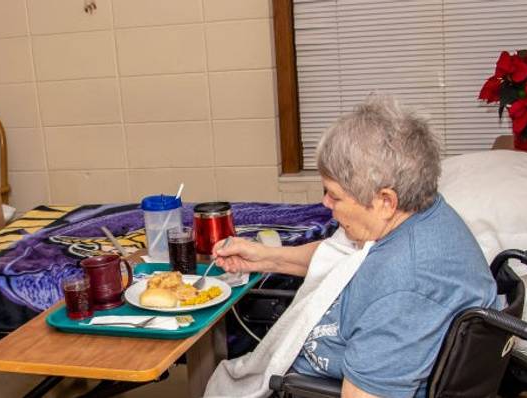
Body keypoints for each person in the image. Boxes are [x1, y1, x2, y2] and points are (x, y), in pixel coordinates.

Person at [213, 95, 498, 398]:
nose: (325, 203)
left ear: (385, 201)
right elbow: (340, 256)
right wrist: (265, 258)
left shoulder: (407, 285)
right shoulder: (421, 211)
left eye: (334, 195)